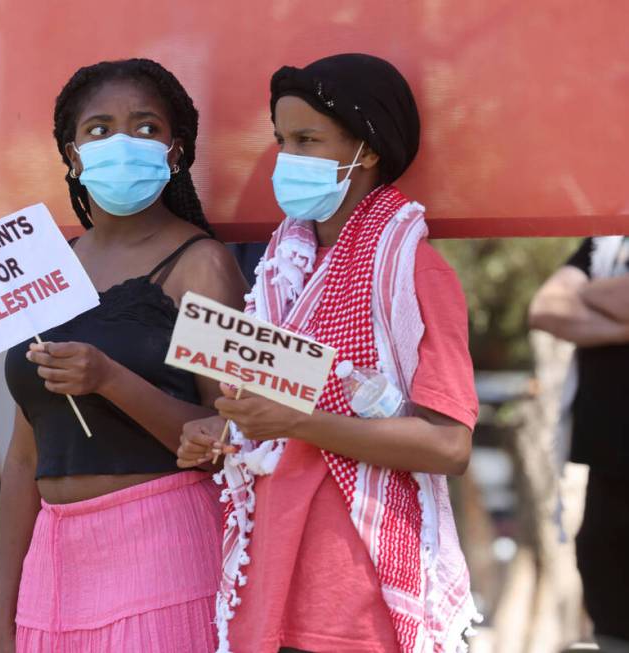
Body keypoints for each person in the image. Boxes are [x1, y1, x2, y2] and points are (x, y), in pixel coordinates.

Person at [178, 54, 480, 653]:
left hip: (360, 592)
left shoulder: (413, 272)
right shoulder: (277, 272)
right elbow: (268, 419)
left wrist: (297, 422)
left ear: (366, 151)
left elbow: (449, 444)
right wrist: (222, 427)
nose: (285, 158)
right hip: (272, 579)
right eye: (282, 140)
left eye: (307, 140)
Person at [0, 58, 247, 653]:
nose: (123, 144)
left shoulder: (203, 266)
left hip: (164, 556)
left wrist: (109, 378)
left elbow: (231, 439)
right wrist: (4, 613)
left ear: (176, 153)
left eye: (146, 128)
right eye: (101, 129)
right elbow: (23, 456)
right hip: (51, 574)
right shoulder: (43, 269)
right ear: (73, 155)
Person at [529, 236, 629, 652]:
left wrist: (589, 291)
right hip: (608, 468)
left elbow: (571, 299)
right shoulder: (608, 240)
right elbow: (547, 308)